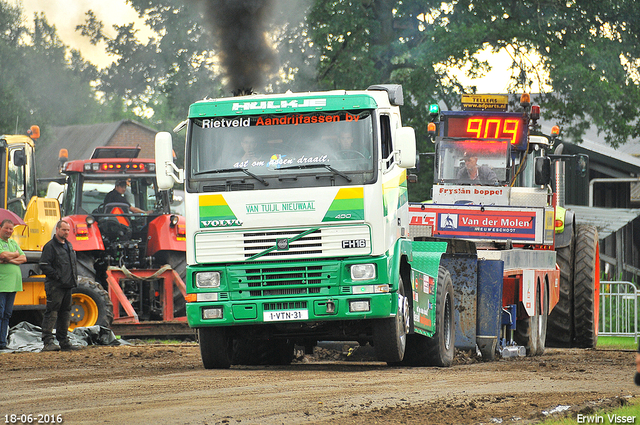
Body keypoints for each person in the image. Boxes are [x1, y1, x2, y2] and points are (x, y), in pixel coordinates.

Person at [39, 220, 81, 351]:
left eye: (68, 230)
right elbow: (44, 265)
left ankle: (64, 341)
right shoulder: (50, 246)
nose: (66, 232)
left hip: (67, 286)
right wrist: (57, 277)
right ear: (57, 229)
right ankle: (48, 342)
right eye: (64, 230)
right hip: (55, 286)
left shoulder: (69, 246)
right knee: (52, 312)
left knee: (65, 313)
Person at [0, 219, 26, 349]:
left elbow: (23, 257)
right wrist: (15, 255)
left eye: (11, 229)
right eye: (7, 228)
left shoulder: (13, 243)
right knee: (0, 312)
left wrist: (11, 259)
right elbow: (2, 254)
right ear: (1, 228)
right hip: (2, 284)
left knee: (7, 314)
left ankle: (2, 342)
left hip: (13, 284)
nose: (9, 231)